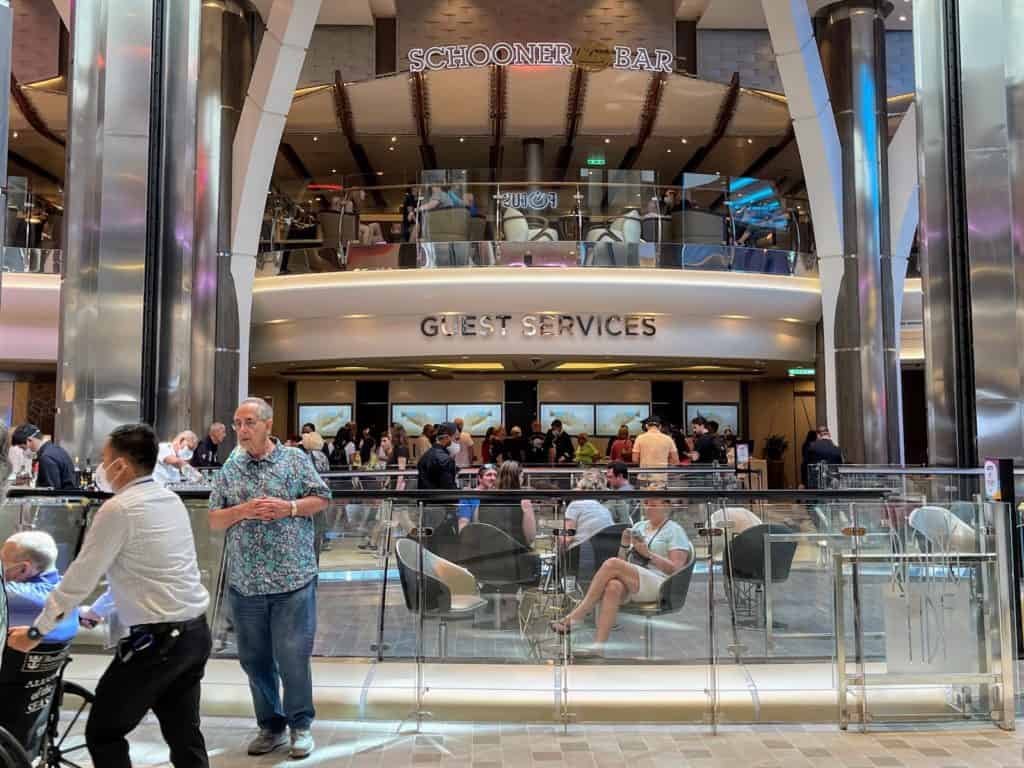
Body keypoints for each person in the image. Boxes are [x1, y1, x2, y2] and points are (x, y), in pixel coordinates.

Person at [8, 423, 212, 768]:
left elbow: (79, 578)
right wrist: (100, 610)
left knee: (103, 732)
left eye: (105, 460)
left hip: (157, 644)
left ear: (122, 466)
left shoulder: (119, 509)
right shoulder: (170, 499)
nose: (101, 468)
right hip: (193, 635)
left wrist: (35, 632)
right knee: (184, 734)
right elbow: (149, 571)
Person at [207, 398, 331, 759]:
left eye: (249, 423)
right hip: (246, 583)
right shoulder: (231, 466)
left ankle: (301, 725)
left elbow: (322, 497)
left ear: (267, 424)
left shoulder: (293, 460)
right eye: (236, 424)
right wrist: (242, 511)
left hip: (293, 578)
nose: (242, 431)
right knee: (254, 658)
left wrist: (288, 507)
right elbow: (215, 518)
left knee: (293, 657)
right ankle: (270, 726)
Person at [550, 499, 692, 656]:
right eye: (645, 503)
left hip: (663, 584)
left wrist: (648, 555)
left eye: (652, 504)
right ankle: (598, 647)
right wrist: (624, 544)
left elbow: (676, 570)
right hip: (637, 580)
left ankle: (578, 615)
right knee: (613, 586)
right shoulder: (639, 527)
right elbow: (622, 562)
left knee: (611, 563)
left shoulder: (675, 530)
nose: (647, 508)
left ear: (665, 506)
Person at [479, 461, 536, 546]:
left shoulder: (485, 498)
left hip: (489, 550)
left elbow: (479, 526)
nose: (523, 479)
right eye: (522, 476)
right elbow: (530, 537)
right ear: (517, 478)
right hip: (516, 552)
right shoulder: (524, 502)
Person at [11, 424, 77, 490]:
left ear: (29, 440)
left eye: (23, 448)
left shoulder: (46, 457)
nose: (24, 452)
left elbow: (51, 491)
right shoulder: (53, 449)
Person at [562, 472, 614, 553]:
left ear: (581, 487)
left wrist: (555, 533)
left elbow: (567, 537)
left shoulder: (575, 505)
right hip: (602, 554)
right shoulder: (604, 509)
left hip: (579, 554)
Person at [416, 422, 459, 490]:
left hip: (425, 499)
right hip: (441, 499)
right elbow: (449, 490)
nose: (457, 442)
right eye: (456, 438)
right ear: (447, 437)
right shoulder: (446, 460)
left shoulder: (425, 456)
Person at [456, 464, 498, 530]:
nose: (493, 478)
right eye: (489, 475)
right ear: (479, 478)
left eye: (495, 475)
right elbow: (463, 525)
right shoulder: (469, 496)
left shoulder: (498, 496)